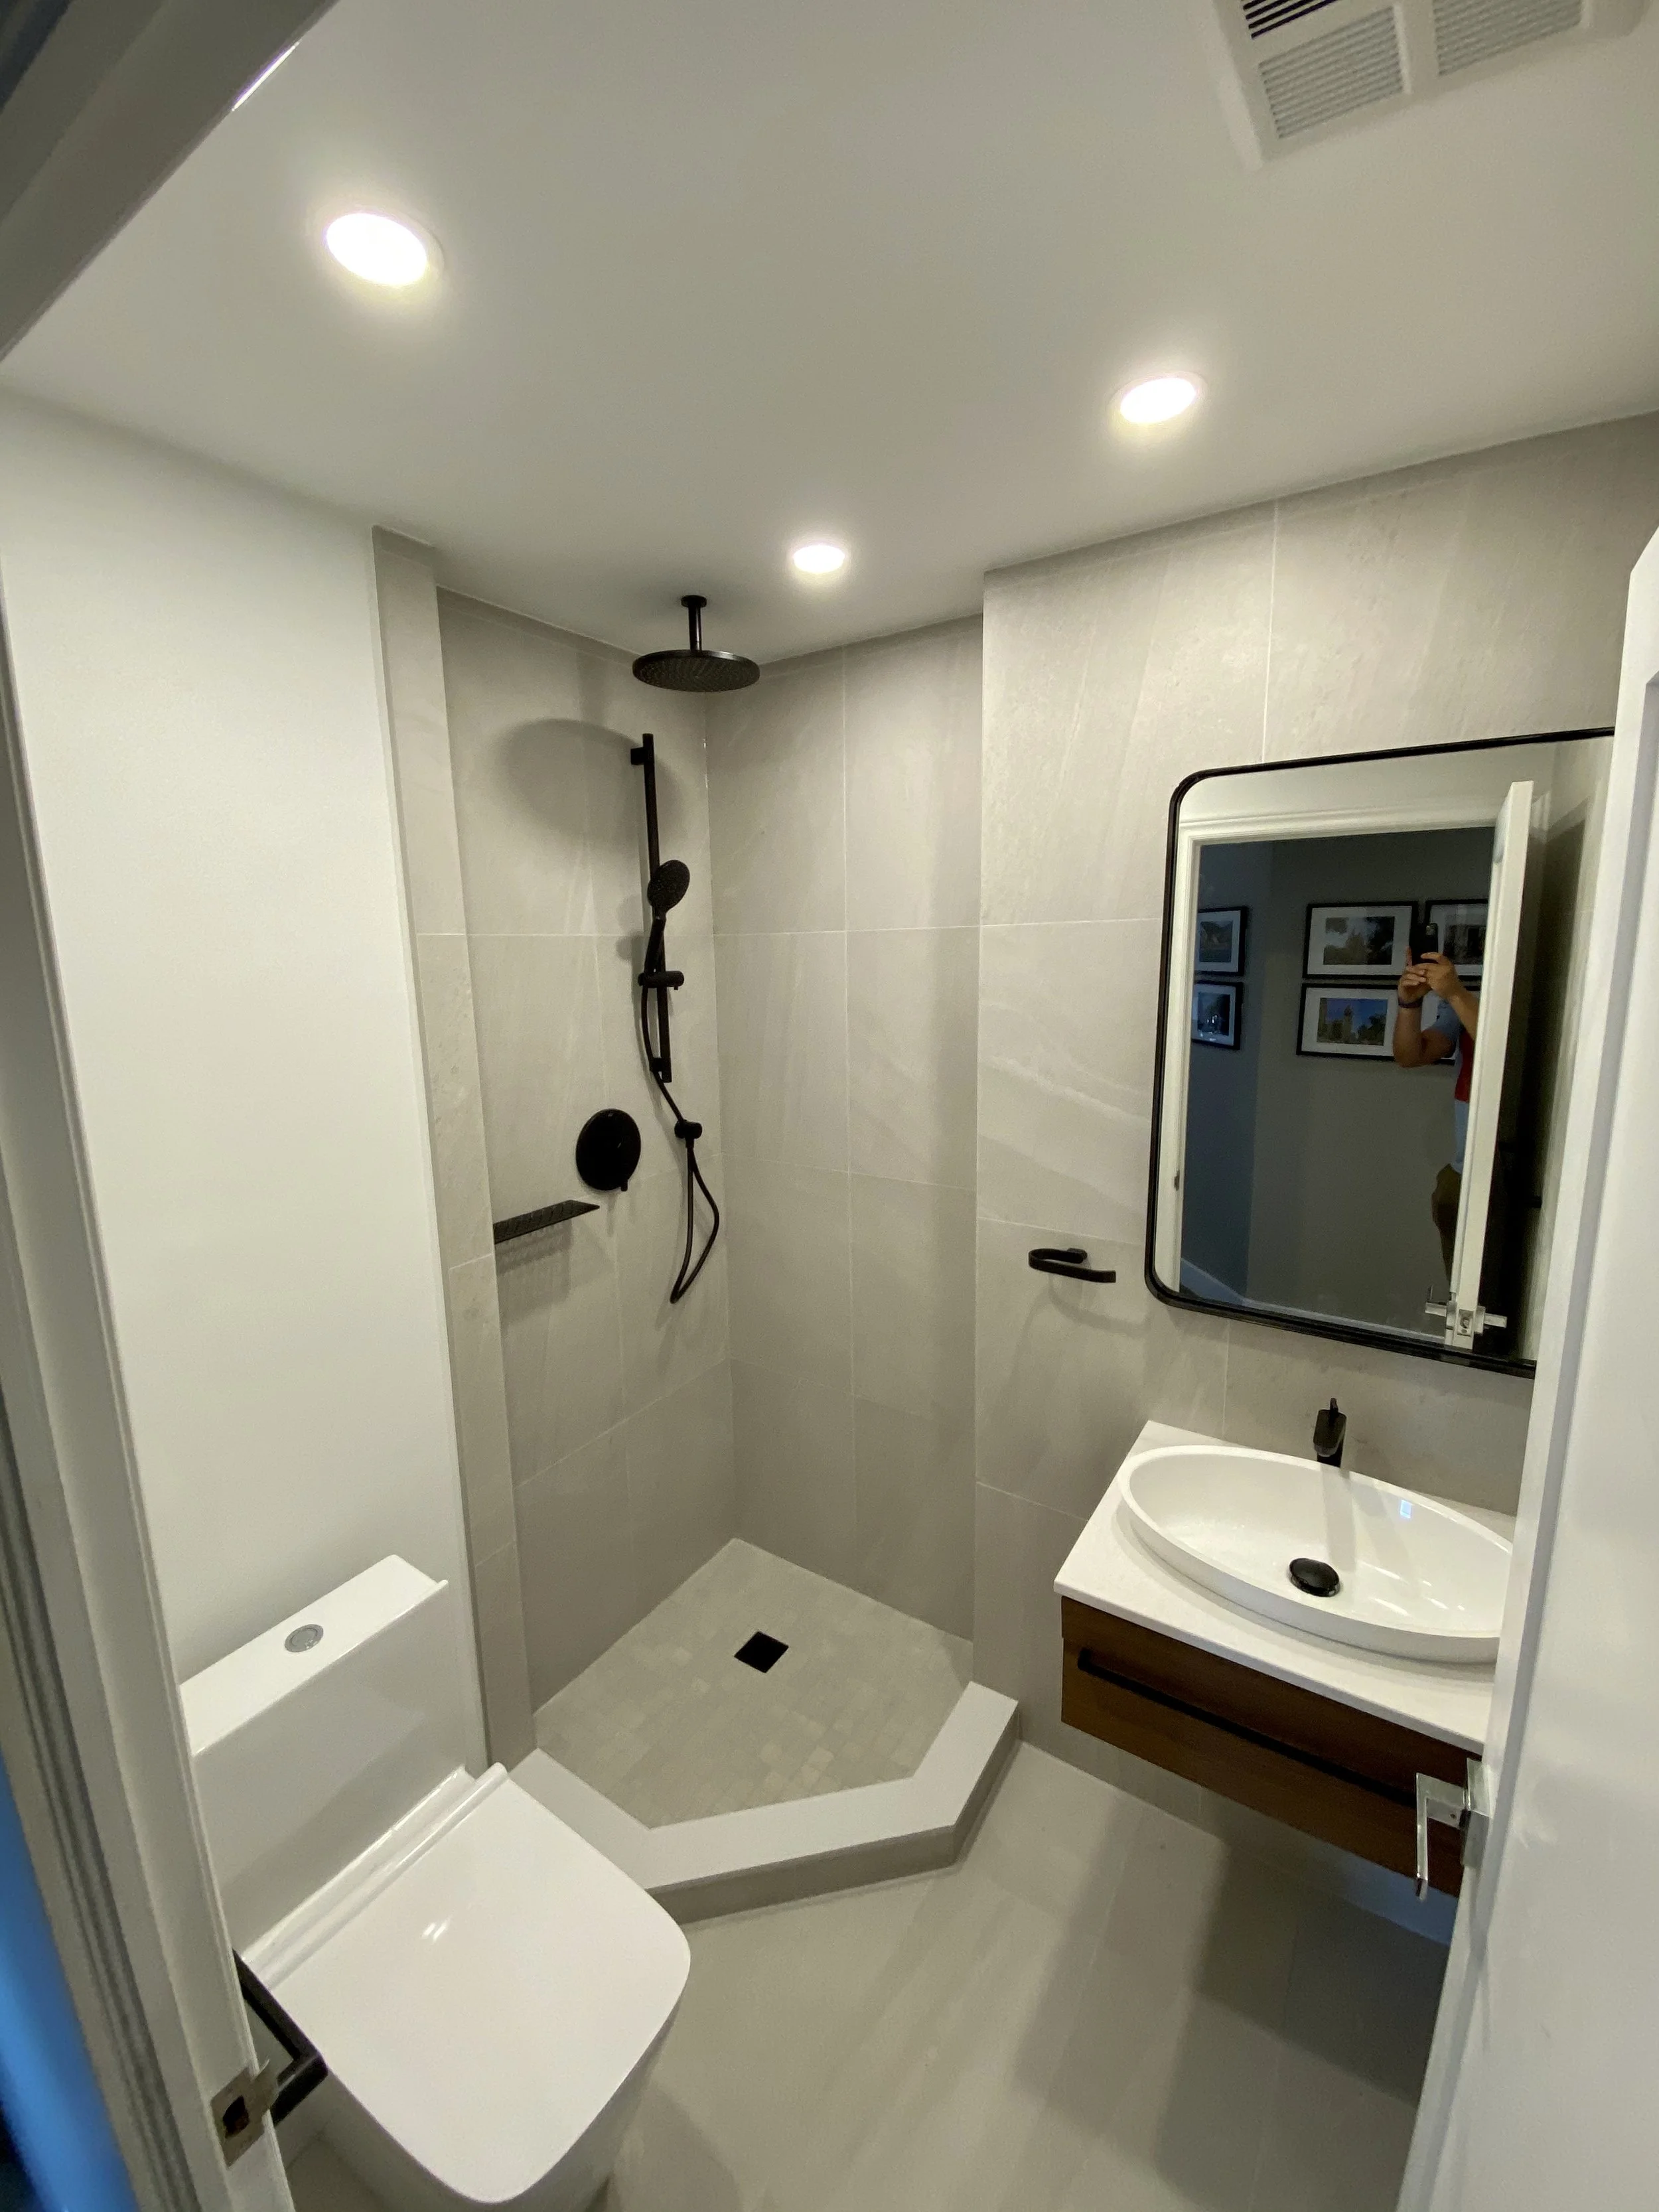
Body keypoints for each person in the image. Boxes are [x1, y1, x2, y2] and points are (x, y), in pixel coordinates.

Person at [1392, 948, 1479, 1280]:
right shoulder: (1467, 999)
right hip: (1460, 1171)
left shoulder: (1506, 998)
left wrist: (1455, 992)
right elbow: (1410, 1055)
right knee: (1463, 1293)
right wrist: (1409, 1003)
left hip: (1509, 1170)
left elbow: (1506, 1053)